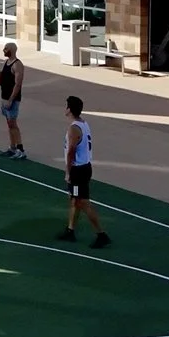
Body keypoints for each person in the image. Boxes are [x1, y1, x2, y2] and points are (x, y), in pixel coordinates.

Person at [57, 95, 111, 248]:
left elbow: (71, 151)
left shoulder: (74, 128)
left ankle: (101, 234)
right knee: (75, 199)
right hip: (84, 168)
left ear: (69, 109)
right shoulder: (83, 123)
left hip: (78, 170)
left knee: (82, 202)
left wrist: (68, 171)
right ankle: (70, 230)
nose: (65, 108)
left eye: (66, 105)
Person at [0, 41, 28, 159]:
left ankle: (20, 149)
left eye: (6, 48)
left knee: (13, 124)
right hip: (4, 97)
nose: (3, 50)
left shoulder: (17, 65)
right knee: (9, 124)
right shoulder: (6, 62)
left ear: (12, 50)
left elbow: (18, 84)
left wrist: (11, 100)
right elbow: (2, 78)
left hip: (12, 100)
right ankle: (12, 147)